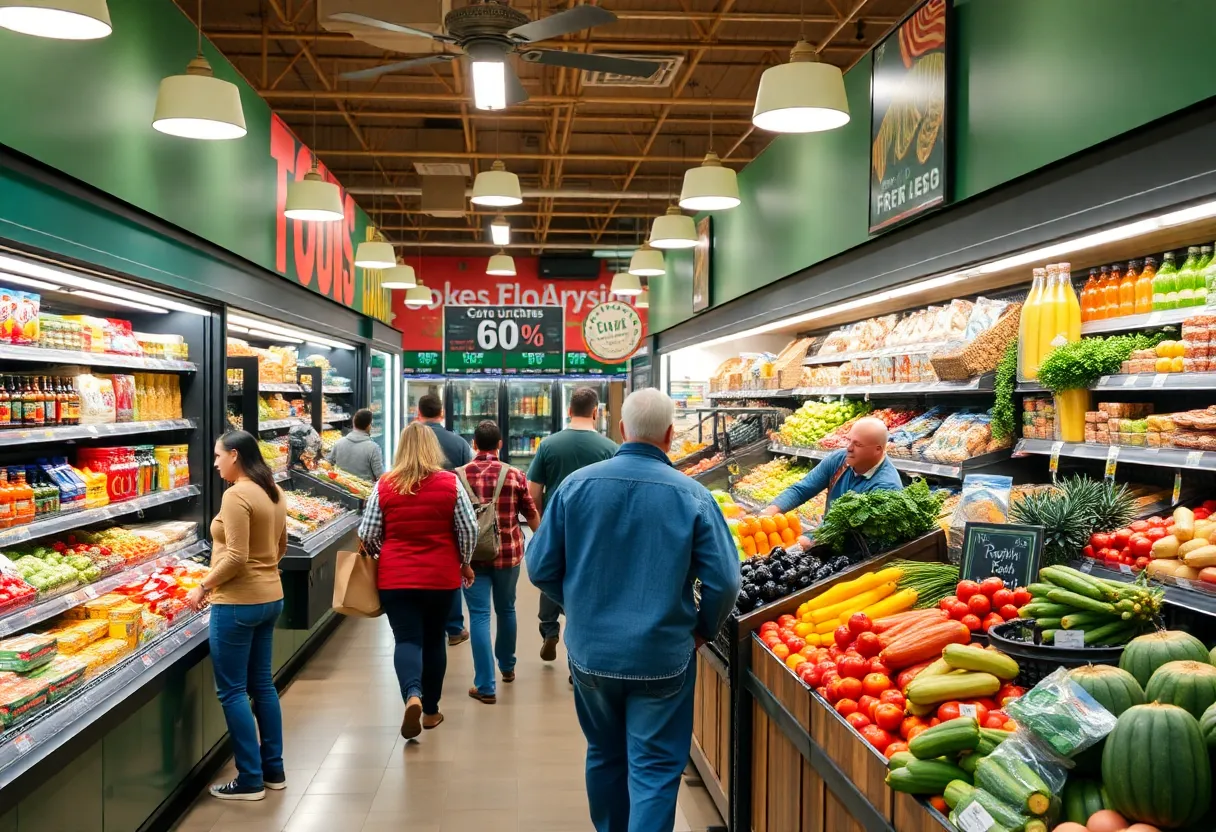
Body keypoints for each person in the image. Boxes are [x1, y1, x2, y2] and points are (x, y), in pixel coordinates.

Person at [527, 389, 740, 832]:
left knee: (604, 754)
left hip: (591, 654)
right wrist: (702, 628)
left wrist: (578, 607)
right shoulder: (694, 495)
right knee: (656, 769)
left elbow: (540, 566)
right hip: (663, 655)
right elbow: (726, 580)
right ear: (669, 434)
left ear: (621, 429)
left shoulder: (574, 487)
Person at [357, 421, 477, 739]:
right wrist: (463, 562)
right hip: (440, 578)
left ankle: (412, 693)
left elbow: (367, 533)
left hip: (396, 578)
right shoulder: (449, 483)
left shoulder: (385, 485)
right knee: (435, 639)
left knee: (407, 639)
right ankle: (432, 710)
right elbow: (469, 529)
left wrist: (388, 552)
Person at [186, 431, 288, 802]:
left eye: (217, 456)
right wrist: (263, 575)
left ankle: (249, 778)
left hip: (236, 603)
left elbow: (236, 557)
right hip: (270, 596)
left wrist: (203, 586)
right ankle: (273, 769)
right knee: (262, 685)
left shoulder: (236, 494)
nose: (214, 463)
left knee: (231, 691)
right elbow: (281, 547)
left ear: (235, 455)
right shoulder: (273, 490)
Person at [527, 386, 617, 662]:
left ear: (568, 411)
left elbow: (533, 492)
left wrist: (541, 528)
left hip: (557, 526)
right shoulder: (610, 448)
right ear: (595, 412)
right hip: (594, 532)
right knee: (584, 586)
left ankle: (549, 629)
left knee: (552, 575)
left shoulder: (549, 445)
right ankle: (576, 653)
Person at [458, 420, 539, 704]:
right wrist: (542, 544)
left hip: (471, 557)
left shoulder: (457, 477)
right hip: (508, 553)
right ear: (501, 444)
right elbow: (530, 514)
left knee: (479, 616)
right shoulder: (515, 474)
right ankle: (507, 667)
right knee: (506, 609)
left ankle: (485, 685)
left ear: (474, 445)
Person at [763, 416, 902, 529]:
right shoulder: (839, 459)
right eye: (849, 441)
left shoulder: (886, 487)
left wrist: (811, 538)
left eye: (857, 444)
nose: (849, 448)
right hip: (827, 537)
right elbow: (802, 489)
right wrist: (770, 511)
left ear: (877, 450)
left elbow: (848, 528)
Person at [415, 392, 474, 646]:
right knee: (451, 566)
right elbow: (468, 479)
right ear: (442, 414)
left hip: (415, 512)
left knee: (418, 564)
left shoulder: (411, 442)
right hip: (450, 511)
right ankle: (454, 627)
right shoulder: (459, 443)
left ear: (419, 413)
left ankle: (423, 622)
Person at [326, 408, 384, 481]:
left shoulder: (339, 443)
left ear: (354, 423)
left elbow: (327, 465)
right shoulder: (373, 448)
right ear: (369, 426)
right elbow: (380, 476)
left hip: (340, 488)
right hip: (365, 491)